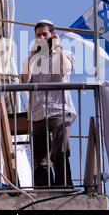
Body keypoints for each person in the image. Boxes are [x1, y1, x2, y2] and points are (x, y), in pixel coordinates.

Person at [21, 19, 76, 187]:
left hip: (59, 109)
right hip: (38, 113)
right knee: (39, 157)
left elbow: (65, 68)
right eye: (38, 35)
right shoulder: (32, 60)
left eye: (44, 34)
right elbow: (25, 82)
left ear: (52, 35)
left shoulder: (65, 54)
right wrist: (31, 58)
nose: (41, 38)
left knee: (60, 151)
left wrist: (57, 46)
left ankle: (63, 186)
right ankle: (43, 189)